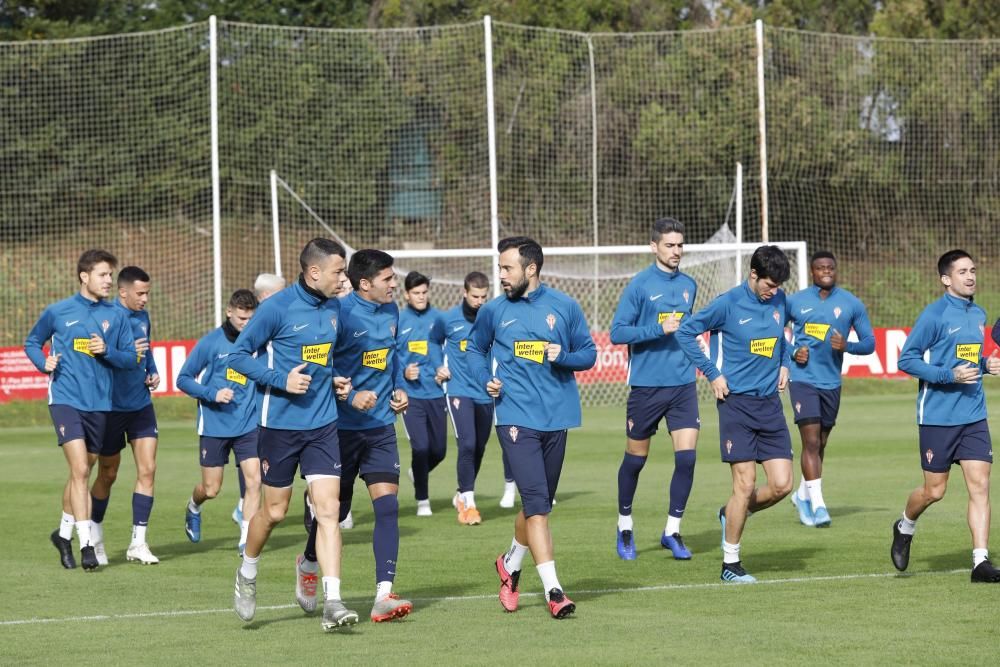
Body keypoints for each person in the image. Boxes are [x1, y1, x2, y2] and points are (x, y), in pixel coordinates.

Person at [228, 238, 359, 632]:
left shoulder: (335, 307)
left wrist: (334, 379)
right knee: (275, 512)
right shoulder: (275, 309)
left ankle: (332, 600)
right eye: (338, 271)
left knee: (329, 510)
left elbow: (324, 357)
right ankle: (248, 573)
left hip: (323, 425)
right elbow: (237, 357)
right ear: (314, 272)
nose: (344, 277)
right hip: (280, 427)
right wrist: (279, 380)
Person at [467, 236, 596, 619]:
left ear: (531, 269)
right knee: (538, 507)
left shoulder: (565, 306)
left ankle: (510, 565)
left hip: (557, 419)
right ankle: (554, 591)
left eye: (507, 268)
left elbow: (588, 354)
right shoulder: (492, 312)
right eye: (500, 267)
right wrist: (483, 380)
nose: (501, 275)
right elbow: (475, 349)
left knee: (537, 505)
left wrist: (564, 356)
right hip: (514, 417)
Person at [299, 249, 413, 623]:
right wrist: (348, 395)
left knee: (388, 507)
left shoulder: (393, 311)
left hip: (380, 428)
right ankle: (309, 561)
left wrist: (398, 389)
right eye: (388, 279)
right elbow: (319, 368)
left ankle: (384, 594)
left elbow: (391, 357)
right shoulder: (339, 313)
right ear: (365, 284)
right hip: (340, 430)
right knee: (337, 511)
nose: (395, 284)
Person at [675, 245, 793, 584]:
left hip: (770, 404)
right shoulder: (728, 303)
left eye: (778, 287)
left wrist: (784, 365)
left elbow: (782, 337)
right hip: (736, 404)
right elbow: (686, 332)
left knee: (783, 485)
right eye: (769, 285)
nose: (774, 292)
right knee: (745, 484)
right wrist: (712, 374)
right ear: (753, 275)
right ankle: (731, 563)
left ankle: (730, 514)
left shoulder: (779, 301)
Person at [891, 249, 1000, 583]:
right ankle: (904, 525)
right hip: (937, 416)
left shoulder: (978, 313)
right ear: (945, 279)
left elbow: (970, 357)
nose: (970, 276)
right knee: (934, 492)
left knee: (980, 485)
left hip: (973, 414)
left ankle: (980, 562)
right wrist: (948, 376)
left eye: (973, 270)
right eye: (963, 271)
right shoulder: (934, 315)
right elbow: (906, 360)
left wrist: (985, 365)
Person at [24, 249, 137, 571]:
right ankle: (87, 544)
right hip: (65, 399)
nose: (108, 281)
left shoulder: (116, 316)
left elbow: (130, 359)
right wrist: (41, 362)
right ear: (84, 276)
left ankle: (62, 534)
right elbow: (33, 342)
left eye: (110, 276)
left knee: (82, 470)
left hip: (100, 404)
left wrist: (108, 351)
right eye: (102, 275)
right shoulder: (58, 311)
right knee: (82, 471)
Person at [609, 217, 699, 561]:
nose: (676, 251)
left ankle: (672, 531)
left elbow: (686, 329)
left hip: (683, 386)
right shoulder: (639, 286)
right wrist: (658, 328)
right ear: (654, 246)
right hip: (646, 387)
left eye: (680, 245)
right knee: (636, 461)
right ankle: (625, 525)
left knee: (687, 459)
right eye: (669, 245)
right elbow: (618, 333)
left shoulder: (690, 284)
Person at [785, 251, 874, 527]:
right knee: (810, 442)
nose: (826, 271)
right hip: (802, 380)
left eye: (830, 267)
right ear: (812, 271)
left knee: (821, 443)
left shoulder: (851, 304)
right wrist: (792, 352)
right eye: (821, 267)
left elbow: (870, 343)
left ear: (836, 270)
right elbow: (773, 333)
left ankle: (802, 494)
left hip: (831, 382)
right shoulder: (795, 301)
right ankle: (819, 505)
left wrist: (848, 346)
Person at [178, 289, 260, 554]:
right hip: (215, 425)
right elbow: (184, 378)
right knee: (211, 489)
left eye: (250, 319)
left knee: (254, 481)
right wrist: (212, 394)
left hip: (249, 424)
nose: (246, 324)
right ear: (229, 312)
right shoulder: (211, 343)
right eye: (241, 318)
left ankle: (246, 539)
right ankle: (193, 506)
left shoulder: (259, 342)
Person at [90, 266, 160, 566]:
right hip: (110, 406)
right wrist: (126, 355)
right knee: (108, 473)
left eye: (147, 293)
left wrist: (152, 371)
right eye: (140, 293)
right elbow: (102, 356)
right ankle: (93, 536)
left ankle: (138, 543)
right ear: (123, 292)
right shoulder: (105, 318)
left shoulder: (142, 316)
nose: (145, 299)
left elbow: (147, 350)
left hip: (140, 405)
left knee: (147, 470)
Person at [440, 271, 515, 523]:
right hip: (458, 389)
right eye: (475, 296)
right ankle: (469, 504)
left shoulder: (492, 316)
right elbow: (430, 342)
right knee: (468, 443)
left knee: (479, 447)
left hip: (485, 392)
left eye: (484, 296)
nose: (480, 301)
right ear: (464, 292)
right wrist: (435, 367)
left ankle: (462, 492)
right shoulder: (448, 318)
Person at [232, 273, 287, 528]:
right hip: (249, 413)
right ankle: (246, 516)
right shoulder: (258, 327)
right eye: (281, 292)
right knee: (251, 474)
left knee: (255, 476)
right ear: (265, 296)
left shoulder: (281, 324)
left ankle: (245, 518)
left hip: (268, 408)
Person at [396, 272, 448, 517]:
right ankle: (422, 500)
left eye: (424, 292)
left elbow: (448, 350)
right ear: (406, 294)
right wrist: (404, 372)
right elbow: (390, 356)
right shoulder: (397, 319)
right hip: (410, 396)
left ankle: (417, 472)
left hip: (435, 392)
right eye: (416, 293)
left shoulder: (439, 318)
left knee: (439, 450)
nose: (421, 297)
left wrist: (442, 369)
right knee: (421, 447)